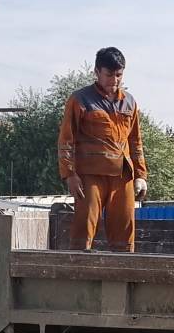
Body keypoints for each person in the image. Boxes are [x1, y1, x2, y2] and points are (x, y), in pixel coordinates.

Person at [57, 47, 147, 251]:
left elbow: (135, 141)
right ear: (97, 72)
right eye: (109, 74)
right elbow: (66, 140)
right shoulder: (80, 100)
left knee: (124, 230)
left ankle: (123, 274)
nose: (114, 80)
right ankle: (79, 271)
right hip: (90, 176)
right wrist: (69, 174)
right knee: (84, 225)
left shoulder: (130, 102)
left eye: (119, 75)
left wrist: (141, 175)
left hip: (122, 175)